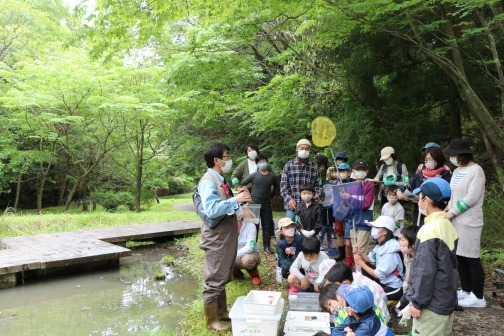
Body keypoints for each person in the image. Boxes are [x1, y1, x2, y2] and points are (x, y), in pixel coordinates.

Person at [198, 142, 252, 331]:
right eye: (226, 155)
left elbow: (225, 205)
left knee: (221, 275)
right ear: (217, 160)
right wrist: (235, 199)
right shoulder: (207, 181)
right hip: (216, 239)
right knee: (214, 278)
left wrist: (239, 201)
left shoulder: (220, 179)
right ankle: (212, 322)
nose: (229, 159)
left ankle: (221, 313)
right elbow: (211, 209)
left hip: (225, 237)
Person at [406, 177, 459, 335]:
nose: (418, 200)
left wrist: (416, 303)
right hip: (446, 300)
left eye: (420, 196)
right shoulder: (448, 226)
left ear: (427, 200)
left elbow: (425, 271)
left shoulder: (428, 230)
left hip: (431, 306)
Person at [444, 138, 486, 308]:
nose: (452, 158)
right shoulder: (456, 171)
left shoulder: (477, 171)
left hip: (470, 222)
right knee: (460, 257)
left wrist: (452, 212)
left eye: (454, 155)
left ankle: (478, 296)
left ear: (463, 155)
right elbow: (453, 194)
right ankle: (467, 291)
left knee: (472, 258)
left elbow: (471, 198)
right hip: (455, 220)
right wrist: (447, 208)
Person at [397, 146, 452, 226]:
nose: (428, 162)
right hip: (419, 214)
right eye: (426, 160)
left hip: (437, 215)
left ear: (438, 159)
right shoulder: (420, 174)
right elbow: (408, 185)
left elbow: (448, 195)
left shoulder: (446, 176)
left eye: (431, 159)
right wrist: (399, 190)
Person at [320, 262, 390, 324]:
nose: (335, 290)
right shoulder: (352, 282)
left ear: (344, 283)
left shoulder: (359, 292)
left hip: (380, 320)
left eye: (336, 286)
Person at [353, 216, 404, 301]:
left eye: (376, 227)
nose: (373, 229)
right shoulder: (381, 244)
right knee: (365, 267)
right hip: (384, 281)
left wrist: (360, 262)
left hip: (394, 286)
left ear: (384, 231)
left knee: (373, 296)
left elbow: (378, 275)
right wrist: (360, 254)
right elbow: (370, 258)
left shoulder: (390, 251)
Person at [318, 283, 395, 336]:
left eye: (343, 305)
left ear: (350, 310)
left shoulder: (366, 327)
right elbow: (335, 332)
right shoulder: (354, 316)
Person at [239, 153, 278, 253]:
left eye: (263, 161)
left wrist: (271, 196)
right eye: (260, 162)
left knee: (267, 226)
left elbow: (276, 188)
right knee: (252, 226)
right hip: (254, 204)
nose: (262, 163)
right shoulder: (254, 175)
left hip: (267, 205)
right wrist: (247, 195)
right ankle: (252, 245)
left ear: (267, 162)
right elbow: (243, 183)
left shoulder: (271, 176)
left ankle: (266, 246)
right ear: (257, 164)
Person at [344, 159, 375, 269]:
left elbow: (366, 204)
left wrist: (349, 198)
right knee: (354, 250)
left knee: (360, 252)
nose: (360, 172)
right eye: (358, 169)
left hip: (364, 222)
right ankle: (355, 274)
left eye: (363, 169)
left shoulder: (370, 186)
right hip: (352, 222)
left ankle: (360, 276)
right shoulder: (351, 186)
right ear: (353, 171)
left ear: (367, 171)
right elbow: (347, 205)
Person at [280, 138, 322, 221]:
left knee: (308, 231)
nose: (304, 150)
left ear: (309, 150)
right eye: (302, 148)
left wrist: (318, 195)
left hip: (309, 206)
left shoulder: (314, 166)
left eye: (307, 149)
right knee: (289, 231)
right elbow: (283, 187)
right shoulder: (288, 165)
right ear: (297, 149)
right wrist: (289, 199)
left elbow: (318, 185)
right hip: (292, 205)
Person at [397, 225, 420, 310]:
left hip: (414, 294)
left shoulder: (419, 261)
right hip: (407, 289)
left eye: (403, 240)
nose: (400, 243)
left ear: (413, 244)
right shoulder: (407, 255)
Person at [232, 220, 261, 285]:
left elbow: (250, 247)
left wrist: (233, 255)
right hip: (235, 255)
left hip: (251, 253)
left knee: (247, 260)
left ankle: (255, 275)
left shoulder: (251, 225)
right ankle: (236, 272)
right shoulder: (227, 226)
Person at [276, 218, 304, 284]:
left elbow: (307, 253)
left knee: (295, 257)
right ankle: (292, 279)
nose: (290, 229)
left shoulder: (299, 239)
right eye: (287, 227)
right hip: (290, 264)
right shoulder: (281, 243)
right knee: (284, 272)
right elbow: (281, 259)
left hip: (301, 263)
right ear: (281, 231)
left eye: (292, 226)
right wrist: (292, 267)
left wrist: (295, 252)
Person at [334, 163, 352, 261]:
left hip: (348, 211)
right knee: (339, 232)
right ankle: (341, 253)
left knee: (348, 233)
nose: (341, 173)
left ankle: (349, 253)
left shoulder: (351, 183)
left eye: (344, 171)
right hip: (339, 210)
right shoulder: (337, 183)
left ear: (348, 173)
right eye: (340, 171)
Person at [320, 169, 338, 251]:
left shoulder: (332, 204)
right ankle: (320, 244)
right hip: (323, 218)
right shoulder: (322, 187)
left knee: (330, 231)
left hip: (330, 216)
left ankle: (329, 243)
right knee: (322, 231)